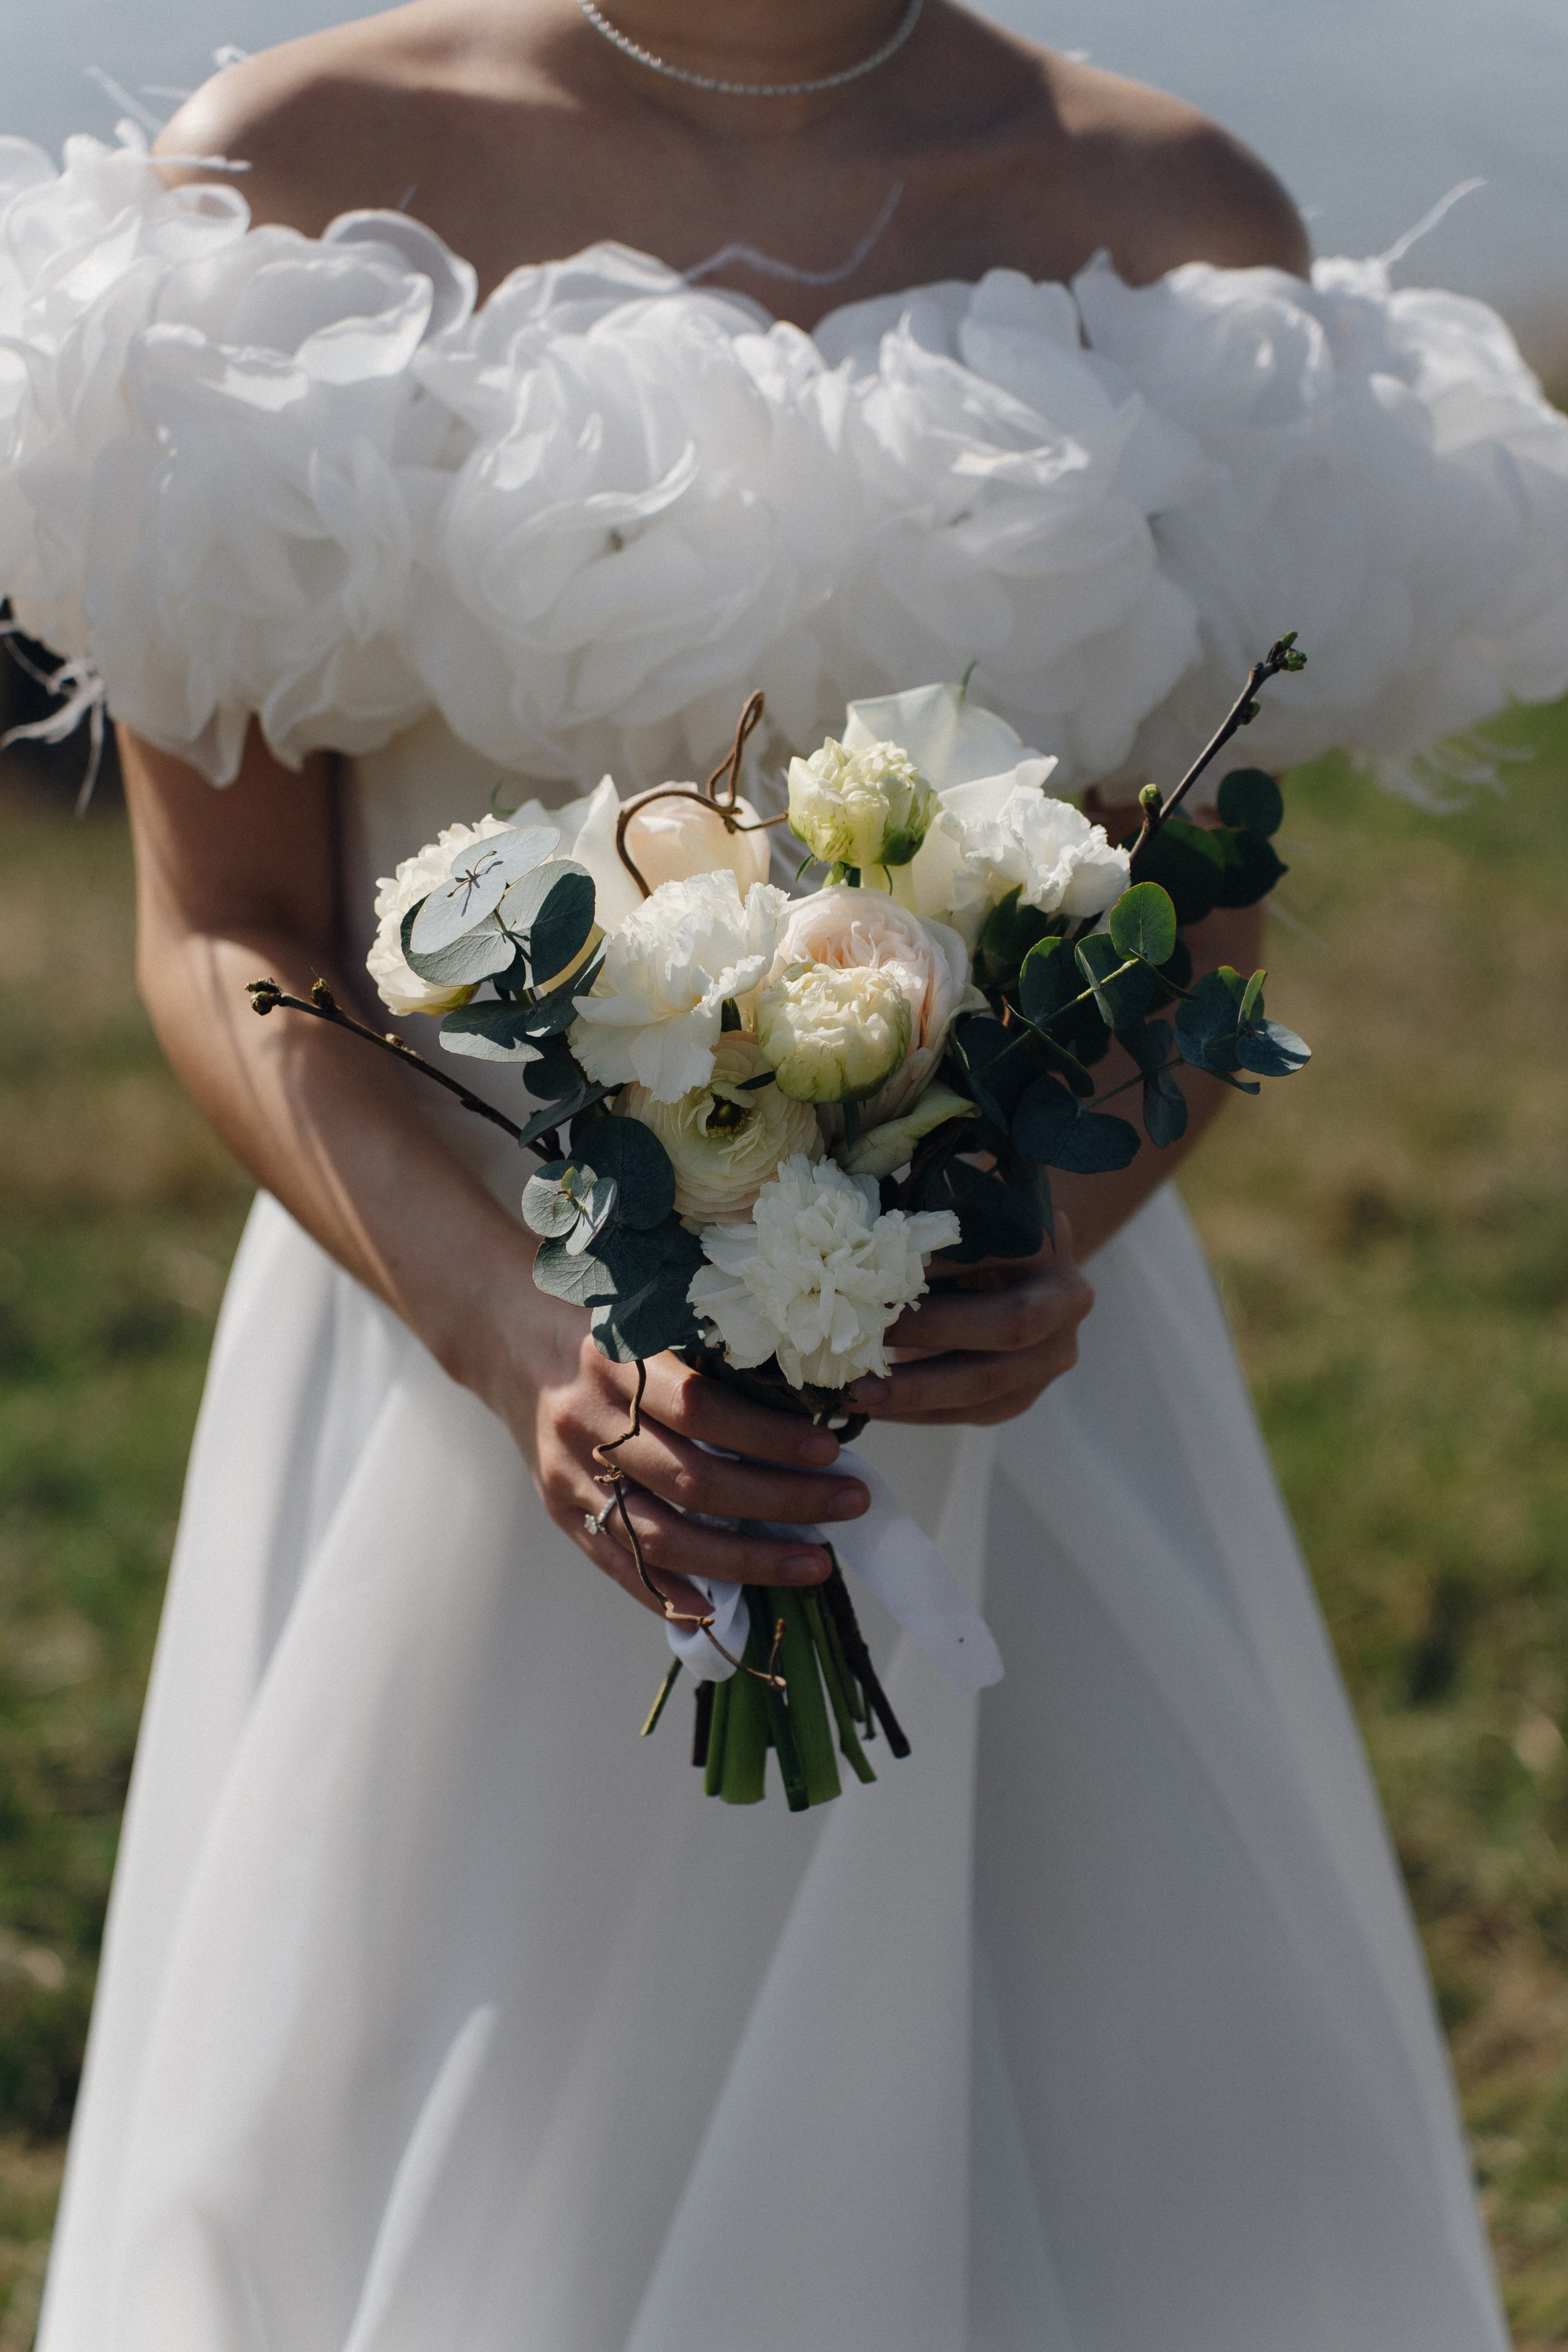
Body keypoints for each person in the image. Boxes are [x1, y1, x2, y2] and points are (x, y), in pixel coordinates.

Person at [5, 4, 1564, 2343]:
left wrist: (1051, 1222)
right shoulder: (292, 185)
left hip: (1002, 1417)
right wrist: (517, 1335)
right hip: (462, 1391)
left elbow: (1196, 916)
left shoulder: (1183, 224)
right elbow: (228, 930)